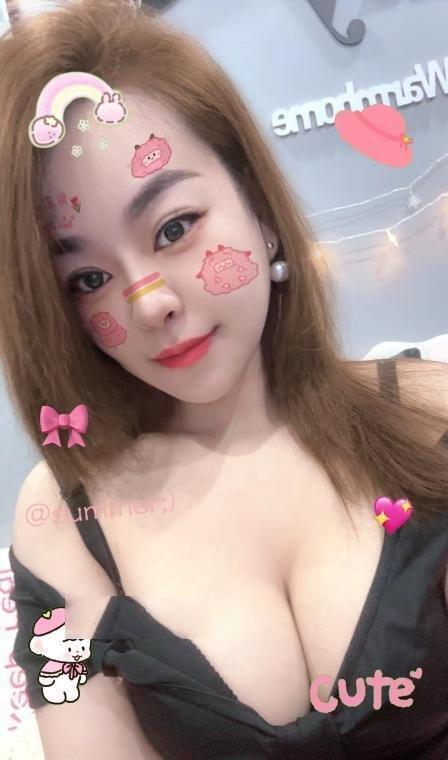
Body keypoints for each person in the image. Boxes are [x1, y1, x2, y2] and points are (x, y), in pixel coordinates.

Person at [0, 1, 447, 758]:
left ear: (257, 207)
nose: (150, 303)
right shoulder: (64, 523)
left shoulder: (426, 416)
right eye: (88, 279)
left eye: (174, 228)